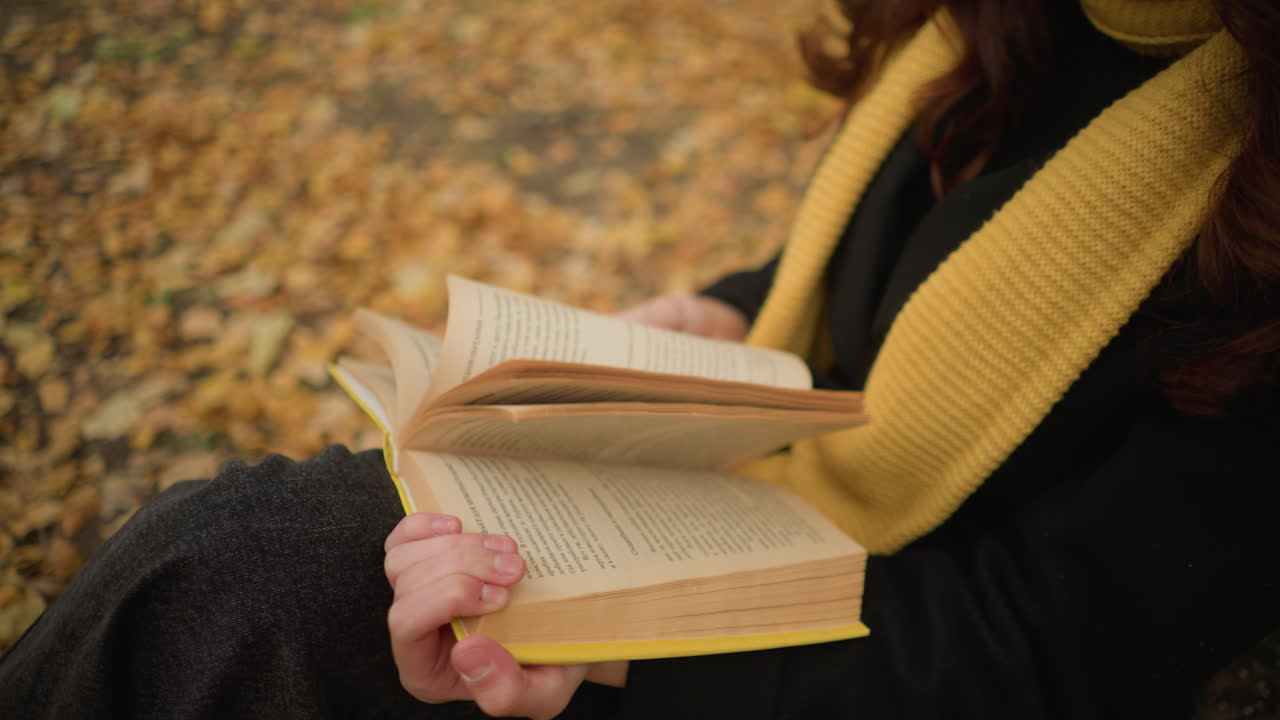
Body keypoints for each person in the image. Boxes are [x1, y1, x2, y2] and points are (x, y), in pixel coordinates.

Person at [3, 0, 1278, 717]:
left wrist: (615, 641)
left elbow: (1056, 648)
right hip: (737, 505)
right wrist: (724, 316)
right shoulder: (1009, 21)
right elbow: (906, 284)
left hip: (848, 665)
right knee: (234, 556)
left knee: (246, 583)